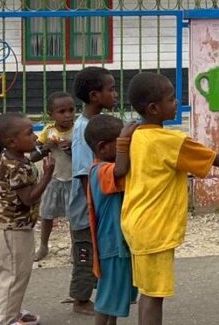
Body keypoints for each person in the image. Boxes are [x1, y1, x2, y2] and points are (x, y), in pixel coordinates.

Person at [120, 72, 219, 324]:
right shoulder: (171, 141)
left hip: (136, 222)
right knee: (154, 296)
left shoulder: (136, 135)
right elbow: (218, 160)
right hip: (155, 229)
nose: (177, 102)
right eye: (171, 99)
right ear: (153, 108)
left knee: (148, 292)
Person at [0, 112, 55, 325]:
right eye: (29, 133)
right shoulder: (17, 165)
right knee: (13, 277)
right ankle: (5, 320)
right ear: (11, 141)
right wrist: (46, 176)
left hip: (15, 227)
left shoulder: (10, 157)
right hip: (11, 229)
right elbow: (28, 199)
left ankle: (13, 312)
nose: (35, 137)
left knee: (16, 274)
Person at [67, 66, 119, 315]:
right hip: (85, 211)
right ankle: (80, 299)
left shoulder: (97, 125)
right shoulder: (82, 130)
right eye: (111, 89)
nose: (115, 94)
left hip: (98, 207)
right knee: (85, 255)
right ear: (94, 95)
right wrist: (95, 209)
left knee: (99, 251)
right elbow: (84, 174)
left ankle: (102, 293)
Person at [84, 114, 138, 325]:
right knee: (106, 300)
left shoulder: (105, 167)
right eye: (120, 143)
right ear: (103, 147)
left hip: (117, 244)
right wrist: (124, 141)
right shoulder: (100, 170)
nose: (126, 147)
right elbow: (121, 169)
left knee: (114, 299)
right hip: (111, 245)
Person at [33, 91, 76, 261]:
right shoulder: (48, 131)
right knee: (47, 214)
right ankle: (43, 245)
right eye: (62, 111)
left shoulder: (78, 130)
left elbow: (85, 153)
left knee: (74, 216)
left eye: (71, 110)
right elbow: (33, 155)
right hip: (53, 179)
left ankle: (74, 247)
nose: (68, 115)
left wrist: (72, 147)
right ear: (51, 114)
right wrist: (46, 147)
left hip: (73, 179)